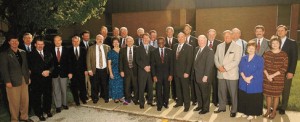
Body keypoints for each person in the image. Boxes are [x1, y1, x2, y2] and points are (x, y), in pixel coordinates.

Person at [0, 35, 32, 122]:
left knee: (25, 101)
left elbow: (25, 67)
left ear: (18, 42)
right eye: (12, 41)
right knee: (14, 102)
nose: (15, 43)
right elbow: (4, 69)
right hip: (12, 81)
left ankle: (24, 117)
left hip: (24, 80)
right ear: (9, 42)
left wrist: (27, 78)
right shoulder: (4, 54)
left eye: (16, 41)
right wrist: (7, 81)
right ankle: (14, 119)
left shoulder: (23, 52)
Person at [214, 30, 241, 117]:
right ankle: (222, 107)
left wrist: (225, 68)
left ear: (232, 36)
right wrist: (219, 67)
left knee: (233, 93)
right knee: (221, 92)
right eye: (225, 36)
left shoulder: (237, 47)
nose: (226, 38)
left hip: (231, 74)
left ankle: (234, 110)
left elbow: (236, 61)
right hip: (220, 73)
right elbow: (215, 58)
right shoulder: (219, 46)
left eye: (228, 36)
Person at [28, 37, 54, 121]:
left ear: (44, 44)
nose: (40, 46)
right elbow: (31, 67)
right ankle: (39, 113)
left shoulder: (48, 53)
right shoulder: (30, 54)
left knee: (48, 95)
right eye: (38, 44)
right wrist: (41, 72)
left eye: (41, 44)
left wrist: (49, 71)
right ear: (35, 44)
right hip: (37, 80)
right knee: (37, 97)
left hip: (47, 78)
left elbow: (53, 65)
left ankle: (47, 110)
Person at [263, 36, 288, 119]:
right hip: (267, 78)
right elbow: (263, 66)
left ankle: (274, 112)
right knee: (268, 95)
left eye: (276, 43)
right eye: (273, 43)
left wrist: (272, 75)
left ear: (279, 44)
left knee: (276, 96)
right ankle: (268, 110)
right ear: (270, 44)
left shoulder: (284, 55)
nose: (274, 44)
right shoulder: (267, 54)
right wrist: (267, 75)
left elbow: (284, 68)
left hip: (278, 79)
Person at [238, 42, 264, 120]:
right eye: (249, 48)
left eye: (252, 48)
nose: (251, 49)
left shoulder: (260, 59)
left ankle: (252, 113)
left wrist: (249, 78)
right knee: (244, 97)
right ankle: (245, 112)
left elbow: (259, 70)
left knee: (253, 98)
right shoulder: (243, 58)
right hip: (243, 81)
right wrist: (244, 77)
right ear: (247, 49)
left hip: (255, 82)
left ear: (256, 49)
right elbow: (241, 68)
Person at [277, 25, 298, 115]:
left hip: (287, 71)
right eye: (278, 31)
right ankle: (276, 105)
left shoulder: (292, 43)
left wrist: (291, 72)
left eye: (282, 30)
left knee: (285, 90)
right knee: (276, 89)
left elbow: (294, 58)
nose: (280, 32)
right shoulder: (274, 41)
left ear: (286, 32)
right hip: (275, 71)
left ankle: (283, 107)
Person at [192, 35, 214, 114]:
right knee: (198, 92)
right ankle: (200, 105)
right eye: (199, 40)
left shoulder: (209, 50)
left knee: (205, 93)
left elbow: (209, 65)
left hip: (204, 76)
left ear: (205, 41)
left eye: (202, 40)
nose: (200, 42)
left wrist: (206, 76)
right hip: (196, 76)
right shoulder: (196, 49)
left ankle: (205, 108)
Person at [87, 34, 111, 104]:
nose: (100, 40)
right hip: (95, 69)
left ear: (103, 40)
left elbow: (110, 59)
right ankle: (95, 98)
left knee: (105, 84)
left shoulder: (107, 47)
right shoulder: (91, 48)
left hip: (104, 69)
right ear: (96, 40)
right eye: (98, 39)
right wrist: (89, 69)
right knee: (95, 85)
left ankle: (106, 97)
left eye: (101, 39)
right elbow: (88, 59)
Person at [151, 37, 173, 111]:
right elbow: (153, 65)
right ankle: (159, 105)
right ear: (157, 43)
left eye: (162, 42)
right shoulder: (154, 52)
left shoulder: (169, 51)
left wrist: (171, 74)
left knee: (166, 90)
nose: (160, 44)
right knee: (158, 90)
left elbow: (171, 64)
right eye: (159, 42)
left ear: (164, 43)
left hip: (167, 75)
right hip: (158, 75)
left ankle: (165, 103)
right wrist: (154, 75)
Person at [172, 32, 193, 112]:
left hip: (184, 73)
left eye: (182, 37)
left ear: (185, 38)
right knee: (178, 88)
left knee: (185, 89)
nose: (180, 38)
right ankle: (180, 102)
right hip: (176, 72)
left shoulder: (189, 47)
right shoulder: (175, 46)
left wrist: (187, 72)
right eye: (179, 37)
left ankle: (187, 105)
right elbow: (173, 60)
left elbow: (189, 61)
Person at [136, 33, 155, 109]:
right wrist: (144, 67)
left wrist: (150, 66)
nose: (146, 39)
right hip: (142, 71)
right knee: (141, 87)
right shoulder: (138, 48)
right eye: (144, 38)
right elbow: (137, 60)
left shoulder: (153, 48)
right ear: (142, 39)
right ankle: (141, 103)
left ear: (149, 39)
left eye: (147, 38)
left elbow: (154, 60)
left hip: (150, 71)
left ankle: (150, 101)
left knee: (150, 87)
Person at [68, 36, 88, 106]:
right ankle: (77, 100)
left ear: (79, 42)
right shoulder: (69, 50)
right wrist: (69, 72)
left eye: (77, 41)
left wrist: (86, 70)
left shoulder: (83, 49)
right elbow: (68, 62)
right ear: (72, 42)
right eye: (74, 41)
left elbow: (85, 61)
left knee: (82, 86)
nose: (75, 43)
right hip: (73, 72)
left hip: (82, 71)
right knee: (74, 87)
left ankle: (83, 98)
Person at [51, 35, 69, 113]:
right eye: (55, 40)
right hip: (54, 73)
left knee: (64, 89)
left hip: (64, 73)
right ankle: (58, 106)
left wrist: (70, 72)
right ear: (54, 41)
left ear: (61, 41)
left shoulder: (66, 50)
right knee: (56, 90)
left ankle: (64, 104)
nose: (57, 42)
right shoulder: (50, 50)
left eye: (59, 40)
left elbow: (69, 62)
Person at [119, 36, 139, 105]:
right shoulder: (122, 50)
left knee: (135, 86)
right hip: (126, 71)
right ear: (126, 42)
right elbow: (120, 61)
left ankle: (136, 99)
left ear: (133, 42)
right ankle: (128, 99)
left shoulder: (137, 48)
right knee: (127, 86)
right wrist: (121, 71)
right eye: (128, 41)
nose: (129, 42)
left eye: (131, 41)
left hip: (135, 71)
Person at [206, 29, 221, 107]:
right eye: (210, 35)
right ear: (207, 35)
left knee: (215, 86)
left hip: (215, 69)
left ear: (215, 35)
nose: (211, 36)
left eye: (213, 35)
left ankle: (215, 101)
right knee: (206, 87)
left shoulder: (219, 43)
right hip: (205, 70)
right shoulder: (204, 42)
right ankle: (206, 102)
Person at [183, 24, 197, 105]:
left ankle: (194, 99)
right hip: (183, 65)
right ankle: (185, 98)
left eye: (188, 29)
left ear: (190, 30)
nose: (186, 30)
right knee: (185, 83)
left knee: (192, 83)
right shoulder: (181, 39)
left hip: (192, 64)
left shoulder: (195, 40)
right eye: (185, 29)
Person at [108, 38, 124, 103]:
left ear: (119, 43)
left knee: (121, 84)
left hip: (122, 70)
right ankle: (115, 97)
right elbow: (109, 64)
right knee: (114, 84)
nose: (116, 43)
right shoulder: (110, 52)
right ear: (112, 44)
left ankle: (120, 97)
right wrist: (111, 73)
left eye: (117, 42)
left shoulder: (122, 51)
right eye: (114, 42)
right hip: (114, 70)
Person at [80, 30, 93, 98]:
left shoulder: (92, 43)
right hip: (84, 67)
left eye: (88, 36)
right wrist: (85, 69)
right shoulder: (79, 44)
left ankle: (90, 93)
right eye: (85, 36)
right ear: (82, 36)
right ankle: (84, 95)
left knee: (91, 82)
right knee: (85, 82)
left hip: (91, 66)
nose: (87, 37)